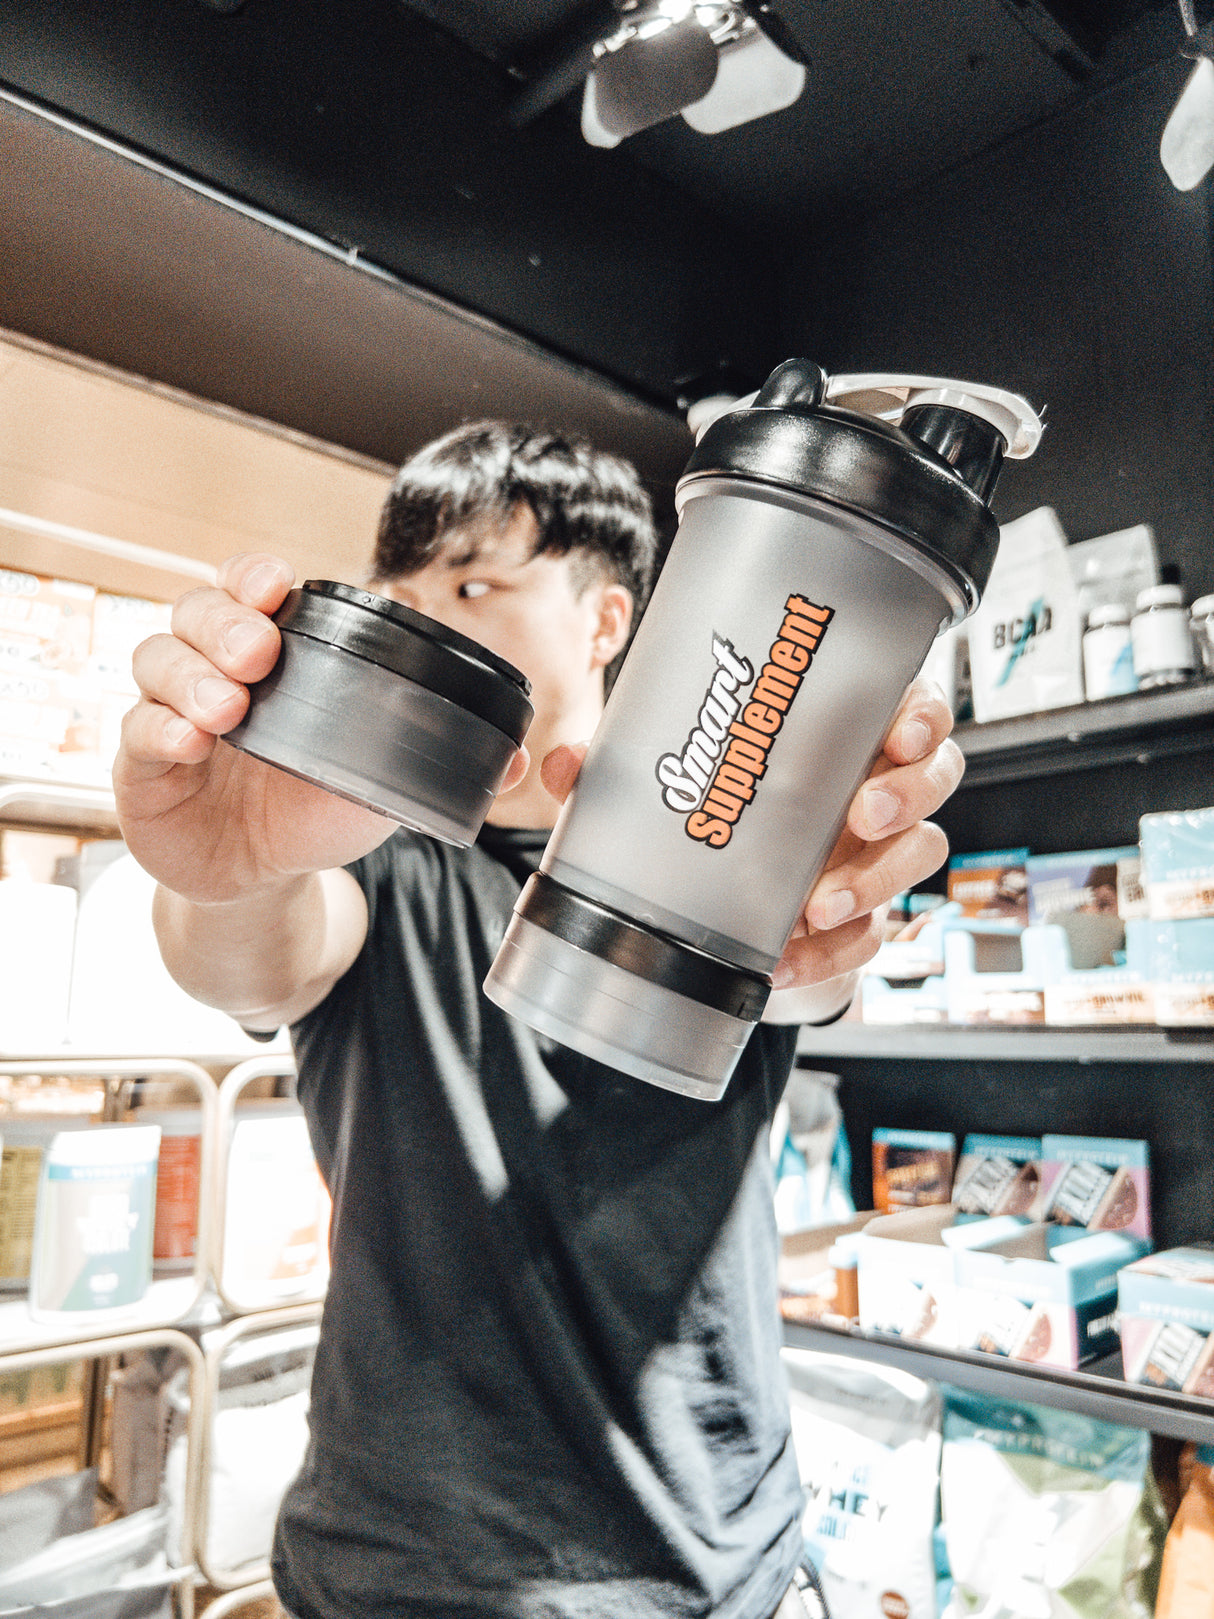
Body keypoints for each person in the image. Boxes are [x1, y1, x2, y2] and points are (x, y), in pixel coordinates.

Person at [114, 422, 964, 1619]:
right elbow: (258, 958)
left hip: (709, 1552)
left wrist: (827, 919)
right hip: (400, 1565)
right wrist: (230, 868)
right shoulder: (376, 861)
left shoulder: (730, 855)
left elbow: (808, 979)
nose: (426, 619)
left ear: (608, 620)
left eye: (473, 585)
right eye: (406, 591)